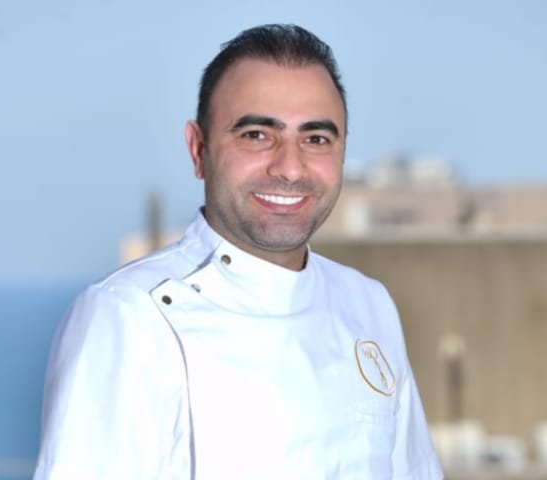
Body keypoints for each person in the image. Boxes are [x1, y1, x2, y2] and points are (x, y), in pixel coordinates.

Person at [34, 24, 442, 479]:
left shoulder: (369, 304)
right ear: (199, 149)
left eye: (315, 139)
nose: (290, 169)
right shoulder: (129, 317)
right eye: (256, 135)